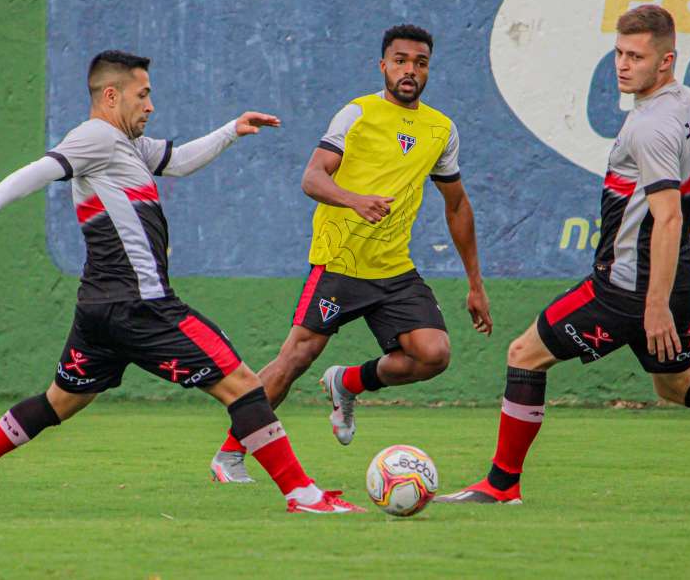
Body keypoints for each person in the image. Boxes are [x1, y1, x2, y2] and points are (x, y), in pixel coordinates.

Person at [0, 50, 363, 514]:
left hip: (99, 312)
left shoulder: (125, 146)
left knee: (59, 403)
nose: (150, 105)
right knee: (244, 385)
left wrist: (232, 130)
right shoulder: (94, 137)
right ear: (111, 96)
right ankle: (302, 494)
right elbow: (39, 171)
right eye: (143, 95)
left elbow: (181, 160)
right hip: (142, 306)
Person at [436, 5, 690, 507]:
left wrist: (655, 302)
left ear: (666, 61)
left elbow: (666, 217)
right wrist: (675, 258)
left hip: (627, 289)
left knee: (523, 355)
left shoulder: (650, 128)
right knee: (677, 384)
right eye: (619, 53)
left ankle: (500, 484)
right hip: (676, 276)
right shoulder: (689, 105)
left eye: (636, 56)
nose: (622, 65)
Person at [210, 25, 494, 482]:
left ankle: (348, 382)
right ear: (383, 65)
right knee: (296, 358)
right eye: (400, 60)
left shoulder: (441, 130)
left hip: (394, 268)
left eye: (420, 63)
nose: (410, 70)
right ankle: (229, 452)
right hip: (340, 261)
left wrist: (475, 285)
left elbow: (457, 204)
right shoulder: (356, 114)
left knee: (433, 353)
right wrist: (355, 200)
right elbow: (312, 177)